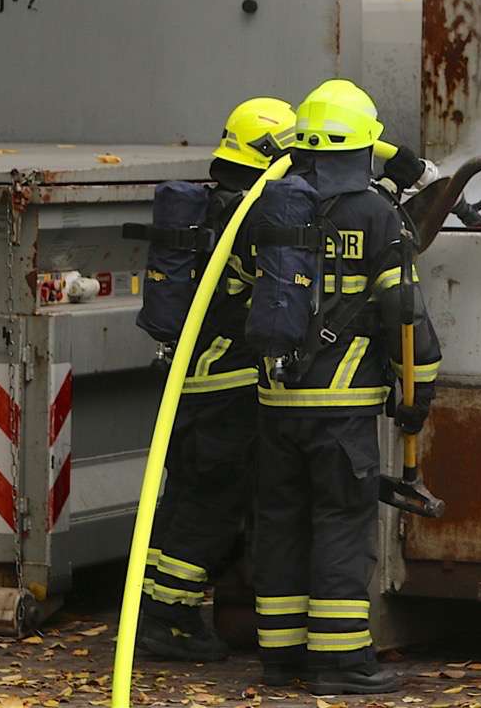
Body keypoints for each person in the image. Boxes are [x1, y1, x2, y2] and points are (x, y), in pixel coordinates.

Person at [252, 79, 441, 695]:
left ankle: (281, 658)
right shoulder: (375, 214)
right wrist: (417, 395)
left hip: (276, 402)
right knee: (338, 524)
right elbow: (404, 314)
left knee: (281, 522)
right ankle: (340, 662)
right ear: (363, 148)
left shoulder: (273, 203)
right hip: (342, 406)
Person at [139, 96, 296, 662]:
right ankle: (168, 618)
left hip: (188, 376)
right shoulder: (258, 212)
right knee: (213, 506)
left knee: (183, 496)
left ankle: (150, 609)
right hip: (229, 384)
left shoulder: (209, 204)